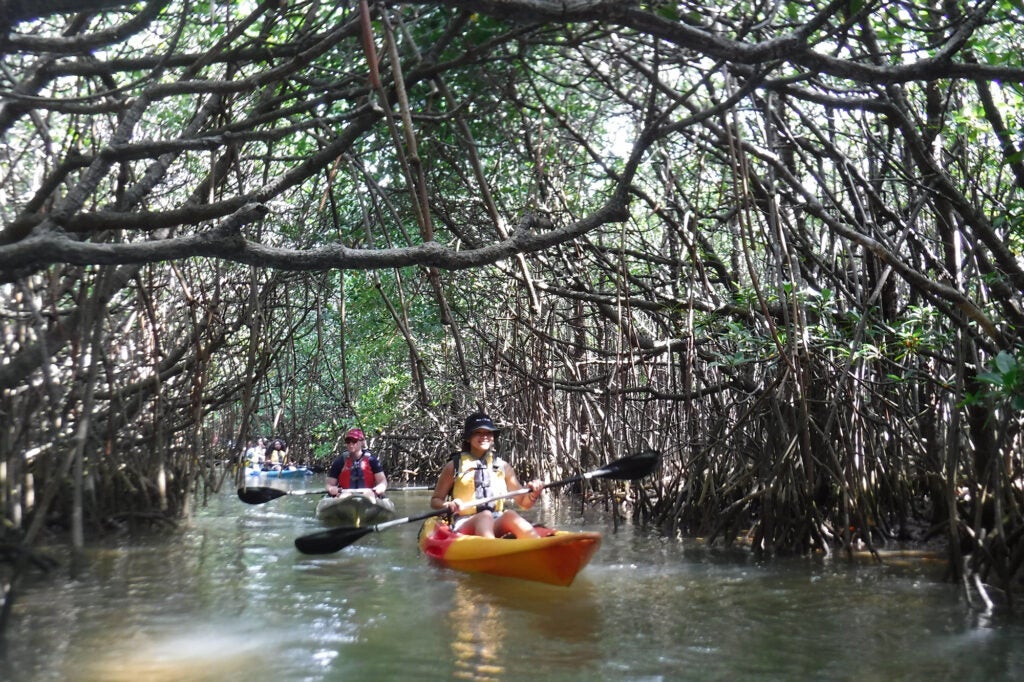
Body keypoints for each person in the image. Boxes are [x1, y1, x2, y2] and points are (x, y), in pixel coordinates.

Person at [429, 412, 543, 539]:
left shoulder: (503, 466)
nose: (484, 436)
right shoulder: (453, 466)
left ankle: (538, 544)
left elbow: (523, 503)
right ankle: (494, 552)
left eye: (488, 433)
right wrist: (448, 505)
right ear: (468, 437)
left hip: (496, 519)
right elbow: (435, 501)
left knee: (510, 514)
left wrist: (533, 494)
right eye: (478, 432)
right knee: (485, 516)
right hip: (465, 522)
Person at [326, 428, 387, 497]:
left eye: (354, 441)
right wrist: (332, 489)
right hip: (345, 494)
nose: (351, 444)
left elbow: (382, 481)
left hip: (368, 493)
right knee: (344, 496)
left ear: (362, 442)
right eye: (348, 441)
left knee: (369, 496)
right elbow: (329, 484)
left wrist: (380, 488)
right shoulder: (340, 461)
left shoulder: (372, 460)